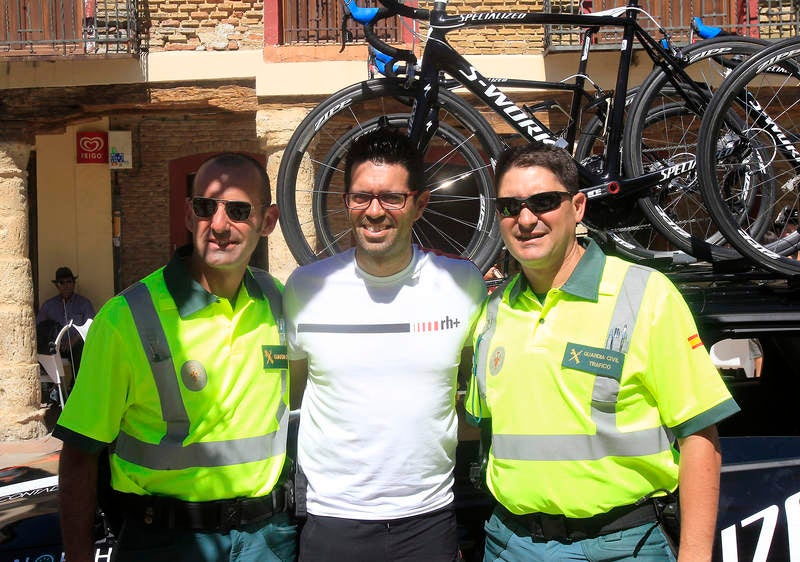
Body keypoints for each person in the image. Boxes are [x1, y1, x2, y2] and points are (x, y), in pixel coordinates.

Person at [466, 144, 740, 561]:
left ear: (577, 207)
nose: (526, 219)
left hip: (623, 545)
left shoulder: (645, 295)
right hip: (511, 544)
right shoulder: (494, 311)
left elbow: (700, 434)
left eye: (543, 202)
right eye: (510, 206)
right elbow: (480, 426)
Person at [53, 153, 296, 562]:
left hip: (266, 540)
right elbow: (80, 456)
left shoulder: (279, 301)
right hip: (167, 542)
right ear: (189, 214)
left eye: (238, 211)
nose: (219, 225)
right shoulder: (127, 317)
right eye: (205, 207)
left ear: (268, 222)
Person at [284, 129, 486, 562]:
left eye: (392, 198)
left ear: (420, 203)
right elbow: (294, 388)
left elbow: (471, 381)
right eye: (361, 197)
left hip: (429, 518)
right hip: (333, 518)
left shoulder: (463, 284)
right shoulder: (305, 288)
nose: (375, 212)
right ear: (345, 203)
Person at [36, 266, 95, 370]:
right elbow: (39, 327)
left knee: (82, 351)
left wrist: (73, 340)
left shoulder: (84, 304)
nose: (66, 285)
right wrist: (55, 341)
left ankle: (76, 384)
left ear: (74, 284)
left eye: (69, 282)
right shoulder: (49, 305)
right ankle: (49, 385)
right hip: (54, 347)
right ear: (57, 286)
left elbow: (91, 326)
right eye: (61, 283)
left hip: (75, 345)